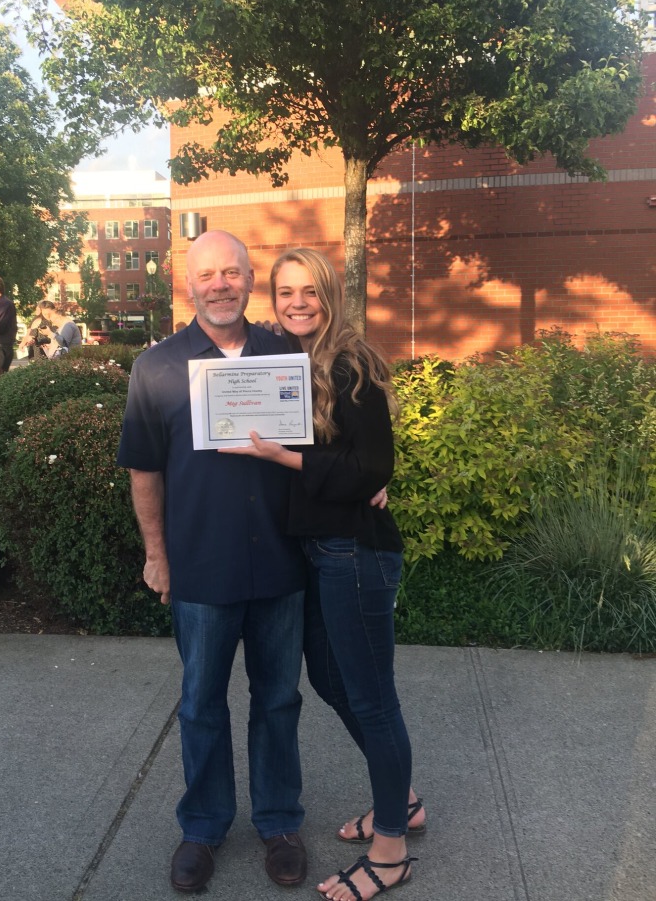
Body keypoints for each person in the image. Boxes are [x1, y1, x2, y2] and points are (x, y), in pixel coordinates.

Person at [222, 248, 423, 901]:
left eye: (309, 290)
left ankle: (389, 848)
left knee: (371, 695)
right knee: (333, 680)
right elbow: (353, 465)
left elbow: (374, 467)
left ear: (329, 293)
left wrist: (286, 456)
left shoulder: (349, 361)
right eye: (285, 291)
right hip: (320, 550)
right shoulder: (292, 361)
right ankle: (404, 799)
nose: (297, 301)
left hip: (355, 553)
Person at [117, 230, 308, 894]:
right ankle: (202, 826)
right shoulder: (157, 367)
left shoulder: (288, 353)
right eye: (208, 274)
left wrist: (374, 473)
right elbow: (144, 471)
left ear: (250, 281)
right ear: (188, 284)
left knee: (279, 699)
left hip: (282, 564)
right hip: (200, 567)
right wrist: (156, 555)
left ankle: (280, 821)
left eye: (232, 272)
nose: (220, 284)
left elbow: (334, 440)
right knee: (200, 702)